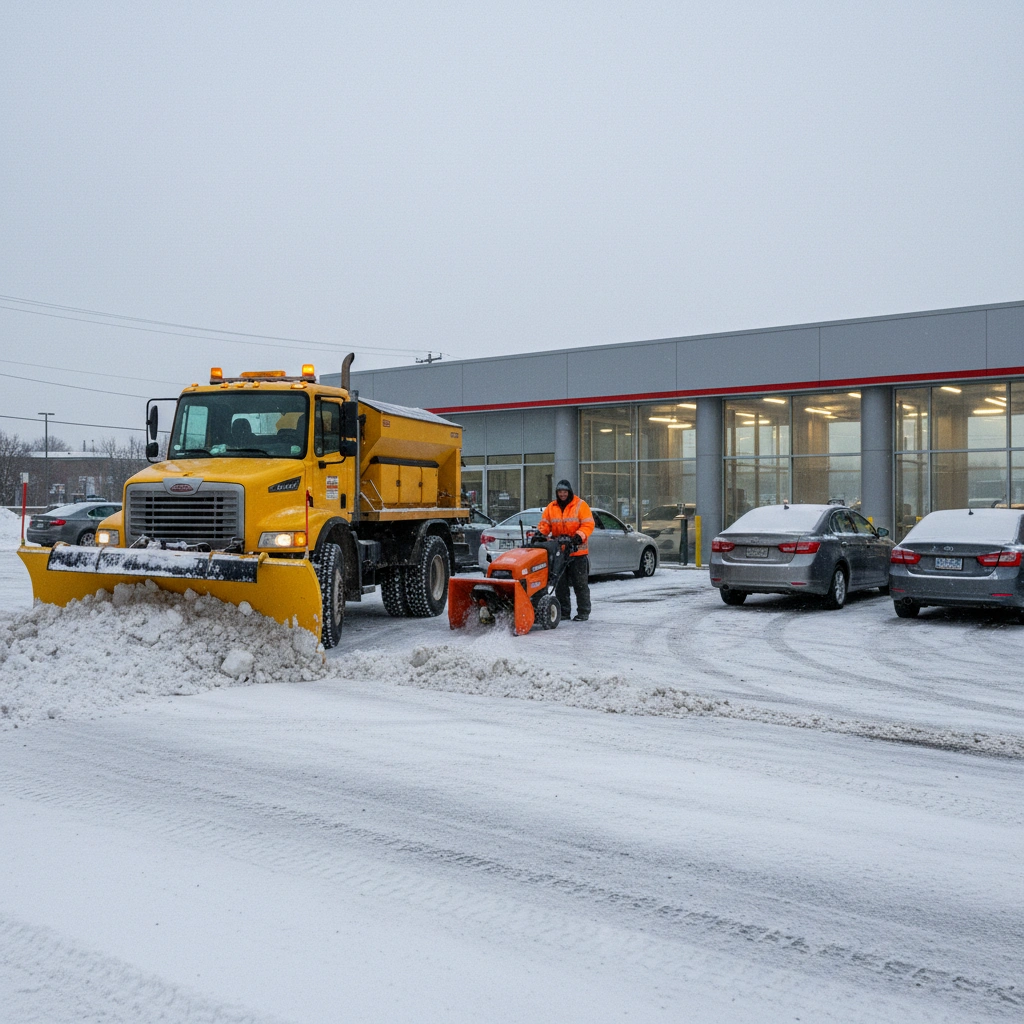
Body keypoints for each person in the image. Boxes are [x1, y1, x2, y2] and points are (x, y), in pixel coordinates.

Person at [536, 479, 594, 621]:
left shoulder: (580, 505)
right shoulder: (552, 507)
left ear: (569, 492)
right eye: (560, 492)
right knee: (560, 584)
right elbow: (545, 524)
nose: (562, 494)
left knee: (580, 583)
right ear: (557, 493)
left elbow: (588, 524)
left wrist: (578, 537)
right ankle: (565, 611)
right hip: (560, 552)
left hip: (577, 552)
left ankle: (583, 611)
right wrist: (540, 534)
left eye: (565, 492)